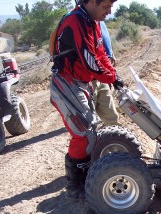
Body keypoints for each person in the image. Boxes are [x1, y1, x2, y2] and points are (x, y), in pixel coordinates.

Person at [49, 0, 123, 199]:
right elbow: (90, 62)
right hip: (67, 83)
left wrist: (114, 75)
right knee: (84, 132)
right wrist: (110, 77)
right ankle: (75, 185)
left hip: (81, 84)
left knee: (90, 131)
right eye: (106, 6)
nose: (110, 11)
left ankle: (86, 175)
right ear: (91, 2)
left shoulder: (92, 22)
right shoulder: (76, 21)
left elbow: (100, 54)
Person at [92, 20, 120, 126]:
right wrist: (108, 75)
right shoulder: (78, 22)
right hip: (88, 79)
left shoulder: (99, 21)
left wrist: (111, 54)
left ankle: (113, 137)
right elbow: (89, 57)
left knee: (112, 117)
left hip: (102, 72)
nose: (108, 11)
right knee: (89, 122)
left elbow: (103, 42)